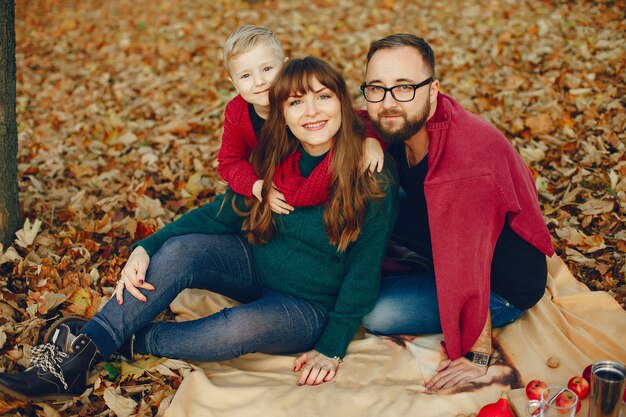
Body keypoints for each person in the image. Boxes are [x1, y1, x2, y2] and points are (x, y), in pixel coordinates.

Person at [0, 57, 397, 402]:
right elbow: (219, 213)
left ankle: (119, 340)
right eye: (296, 102)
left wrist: (332, 347)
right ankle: (83, 353)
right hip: (255, 262)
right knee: (183, 250)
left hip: (306, 306)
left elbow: (364, 272)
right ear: (283, 113)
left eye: (323, 96)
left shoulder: (370, 175)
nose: (311, 111)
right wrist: (148, 245)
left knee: (237, 328)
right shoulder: (280, 157)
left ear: (343, 104)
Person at [359, 34, 554, 391]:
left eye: (404, 87)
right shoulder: (406, 120)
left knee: (372, 311)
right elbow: (351, 119)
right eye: (376, 88)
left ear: (433, 90)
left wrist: (478, 357)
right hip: (445, 237)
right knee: (369, 195)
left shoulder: (464, 168)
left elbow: (468, 269)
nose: (388, 102)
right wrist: (370, 134)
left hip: (500, 283)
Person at [218, 25, 385, 214]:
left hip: (301, 178)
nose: (259, 81)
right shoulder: (237, 112)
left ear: (285, 67)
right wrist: (256, 186)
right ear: (234, 83)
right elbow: (228, 162)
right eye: (246, 75)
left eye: (267, 68)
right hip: (265, 182)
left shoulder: (300, 100)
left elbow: (357, 118)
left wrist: (372, 139)